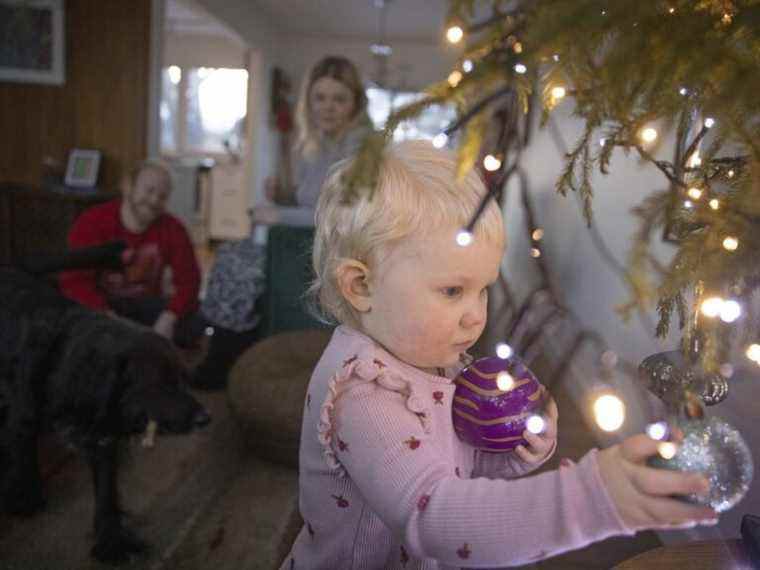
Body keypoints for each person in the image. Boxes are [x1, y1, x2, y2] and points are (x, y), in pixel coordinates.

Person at [281, 140, 717, 568]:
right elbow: (436, 520)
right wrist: (591, 497)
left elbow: (448, 465)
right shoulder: (364, 396)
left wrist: (504, 455)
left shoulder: (432, 358)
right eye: (453, 291)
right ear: (361, 287)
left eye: (483, 289)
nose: (476, 317)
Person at [59, 159, 206, 348]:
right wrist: (106, 316)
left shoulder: (173, 228)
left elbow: (190, 281)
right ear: (128, 187)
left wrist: (169, 317)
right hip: (100, 305)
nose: (154, 200)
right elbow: (73, 280)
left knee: (196, 322)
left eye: (162, 196)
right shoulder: (92, 222)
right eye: (149, 191)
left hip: (145, 304)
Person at [252, 54, 373, 224]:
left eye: (339, 99)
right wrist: (284, 196)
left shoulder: (362, 147)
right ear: (308, 101)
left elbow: (344, 218)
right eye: (320, 98)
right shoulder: (315, 144)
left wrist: (280, 215)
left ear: (356, 104)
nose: (328, 107)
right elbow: (311, 203)